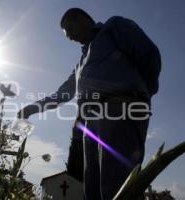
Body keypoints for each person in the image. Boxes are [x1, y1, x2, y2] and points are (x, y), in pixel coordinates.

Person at [17, 8, 161, 200]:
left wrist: (140, 95)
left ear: (84, 19)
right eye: (66, 34)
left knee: (117, 185)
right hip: (90, 124)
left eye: (70, 28)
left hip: (120, 109)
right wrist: (31, 108)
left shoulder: (113, 26)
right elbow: (62, 94)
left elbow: (149, 54)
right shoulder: (81, 64)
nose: (69, 37)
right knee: (93, 188)